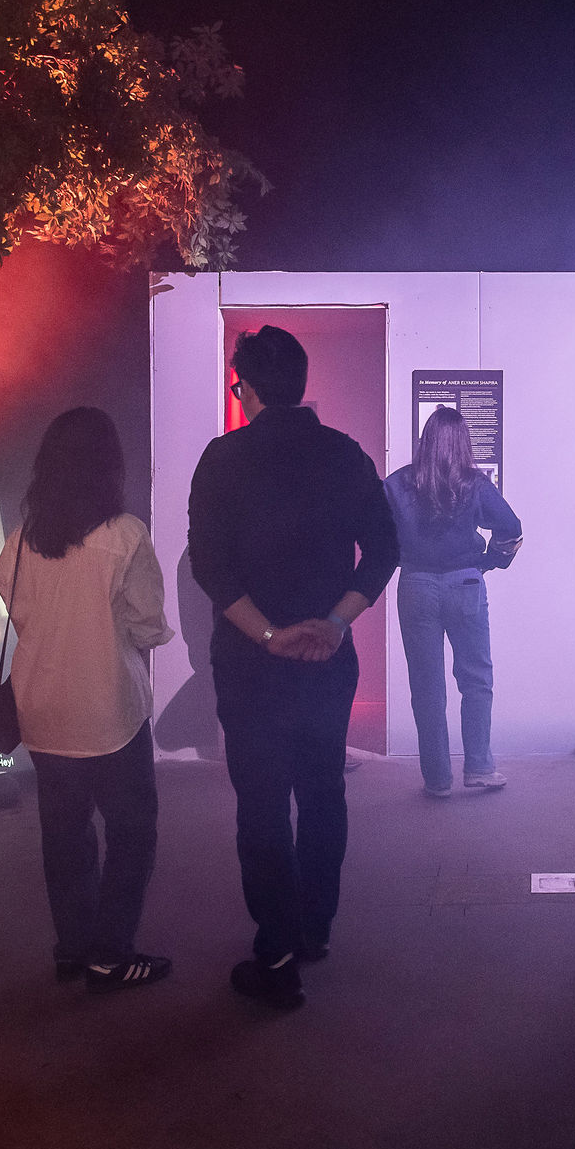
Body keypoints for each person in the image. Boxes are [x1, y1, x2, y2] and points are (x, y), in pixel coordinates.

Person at [188, 326, 400, 1010]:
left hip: (251, 663)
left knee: (261, 802)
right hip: (326, 660)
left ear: (246, 388)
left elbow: (210, 567)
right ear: (302, 384)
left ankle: (276, 951)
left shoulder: (223, 459)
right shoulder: (345, 454)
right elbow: (384, 550)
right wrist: (334, 623)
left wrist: (269, 634)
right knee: (322, 791)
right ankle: (314, 930)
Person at [0, 407, 176, 994]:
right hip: (109, 708)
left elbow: (14, 605)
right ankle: (110, 953)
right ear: (108, 465)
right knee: (132, 831)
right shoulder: (125, 535)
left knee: (64, 835)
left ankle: (73, 948)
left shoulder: (25, 539)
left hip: (42, 708)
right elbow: (148, 625)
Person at [383, 408, 524, 798]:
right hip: (465, 583)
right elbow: (511, 528)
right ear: (464, 443)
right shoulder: (474, 484)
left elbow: (380, 535)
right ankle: (478, 767)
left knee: (426, 686)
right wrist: (490, 562)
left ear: (425, 440)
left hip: (415, 584)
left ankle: (437, 778)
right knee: (476, 679)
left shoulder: (396, 484)